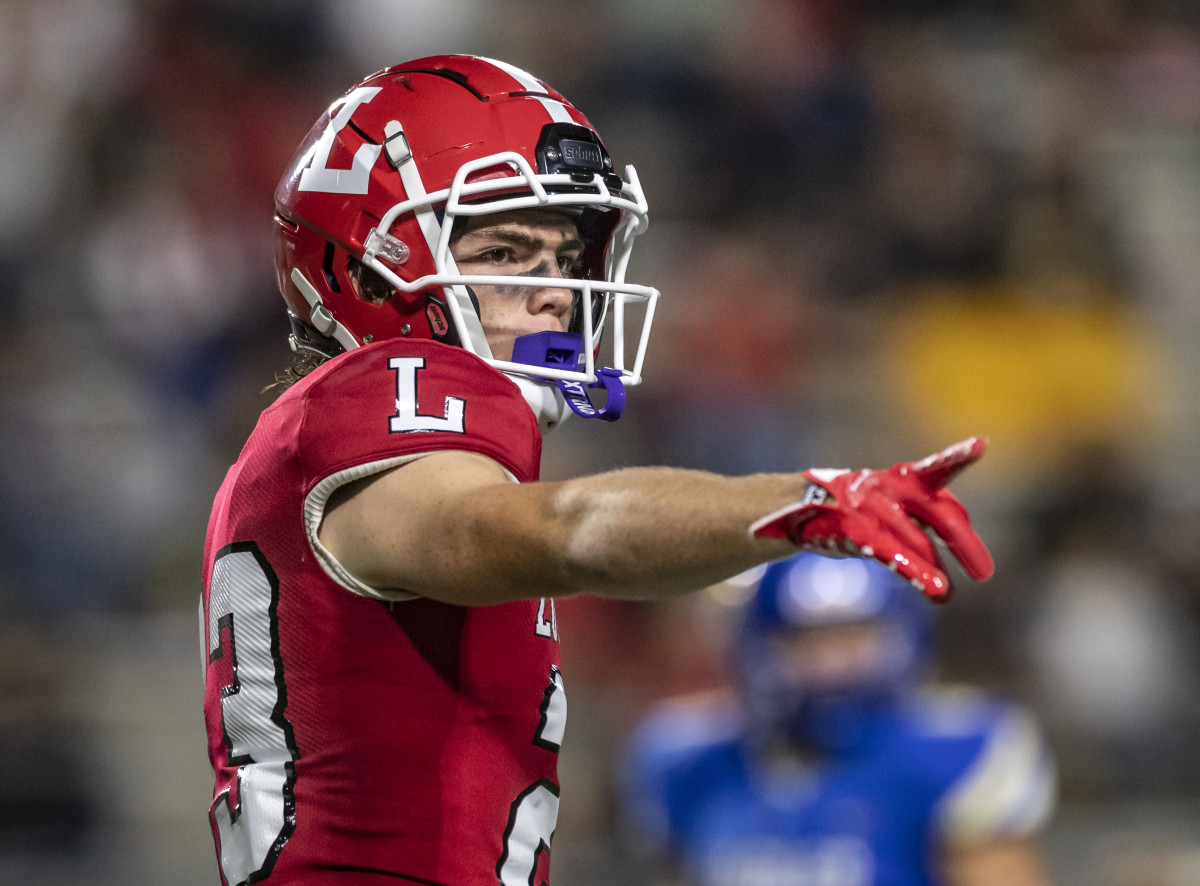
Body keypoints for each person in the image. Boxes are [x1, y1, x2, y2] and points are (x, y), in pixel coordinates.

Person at [200, 54, 995, 885]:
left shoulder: (309, 437)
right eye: (504, 250)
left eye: (565, 253)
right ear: (368, 269)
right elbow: (569, 534)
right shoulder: (378, 400)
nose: (553, 293)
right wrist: (804, 502)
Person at [623, 552, 1056, 886]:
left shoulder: (957, 748)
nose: (835, 665)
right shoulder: (690, 757)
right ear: (761, 646)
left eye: (855, 637)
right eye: (810, 641)